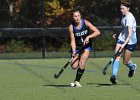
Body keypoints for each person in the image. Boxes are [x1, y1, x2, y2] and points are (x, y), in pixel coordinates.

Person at [68, 8, 100, 87]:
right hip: (77, 47)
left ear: (80, 16)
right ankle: (78, 59)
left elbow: (97, 32)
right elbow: (72, 41)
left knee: (82, 63)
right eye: (75, 16)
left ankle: (77, 81)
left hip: (86, 46)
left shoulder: (85, 23)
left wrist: (89, 37)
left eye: (78, 16)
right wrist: (74, 51)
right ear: (73, 17)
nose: (77, 18)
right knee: (74, 66)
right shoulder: (71, 27)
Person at [110, 2, 137, 84]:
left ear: (128, 8)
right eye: (120, 8)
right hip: (122, 38)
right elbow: (123, 29)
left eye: (123, 9)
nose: (121, 10)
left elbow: (129, 34)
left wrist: (123, 45)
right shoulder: (123, 15)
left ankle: (132, 67)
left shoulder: (129, 18)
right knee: (117, 57)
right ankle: (113, 76)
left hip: (130, 42)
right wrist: (118, 34)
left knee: (125, 62)